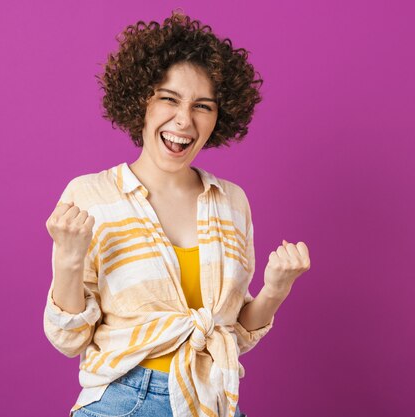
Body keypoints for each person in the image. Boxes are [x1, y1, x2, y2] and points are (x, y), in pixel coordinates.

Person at [43, 11, 311, 417]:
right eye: (169, 98)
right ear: (140, 102)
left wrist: (276, 289)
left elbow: (232, 332)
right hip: (125, 399)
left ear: (219, 117)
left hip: (214, 400)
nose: (184, 120)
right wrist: (67, 258)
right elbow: (69, 340)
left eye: (202, 106)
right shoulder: (91, 195)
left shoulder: (231, 202)